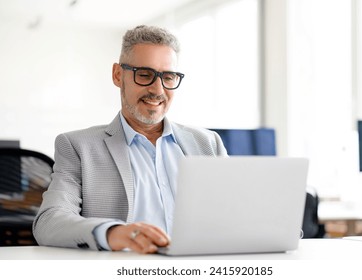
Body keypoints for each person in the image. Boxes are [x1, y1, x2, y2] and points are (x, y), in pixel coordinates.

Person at [33, 25, 228, 254]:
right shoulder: (78, 147)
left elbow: (236, 213)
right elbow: (49, 222)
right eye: (144, 75)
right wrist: (113, 233)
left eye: (168, 77)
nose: (158, 89)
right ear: (118, 75)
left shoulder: (208, 143)